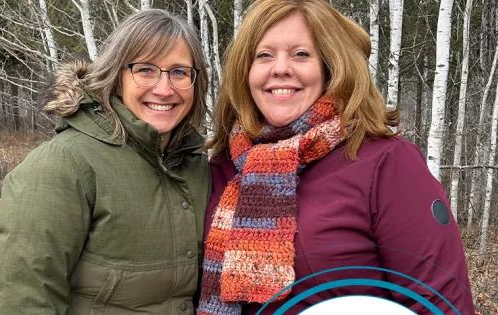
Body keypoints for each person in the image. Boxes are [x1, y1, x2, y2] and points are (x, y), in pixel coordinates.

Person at [197, 0, 475, 314]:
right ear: (245, 72)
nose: (280, 68)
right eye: (264, 55)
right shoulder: (224, 167)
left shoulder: (384, 163)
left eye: (301, 54)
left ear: (331, 67)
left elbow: (442, 303)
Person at [0, 9, 211, 315]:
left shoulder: (197, 165)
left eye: (179, 72)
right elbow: (26, 300)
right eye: (145, 70)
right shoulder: (62, 165)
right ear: (117, 75)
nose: (164, 88)